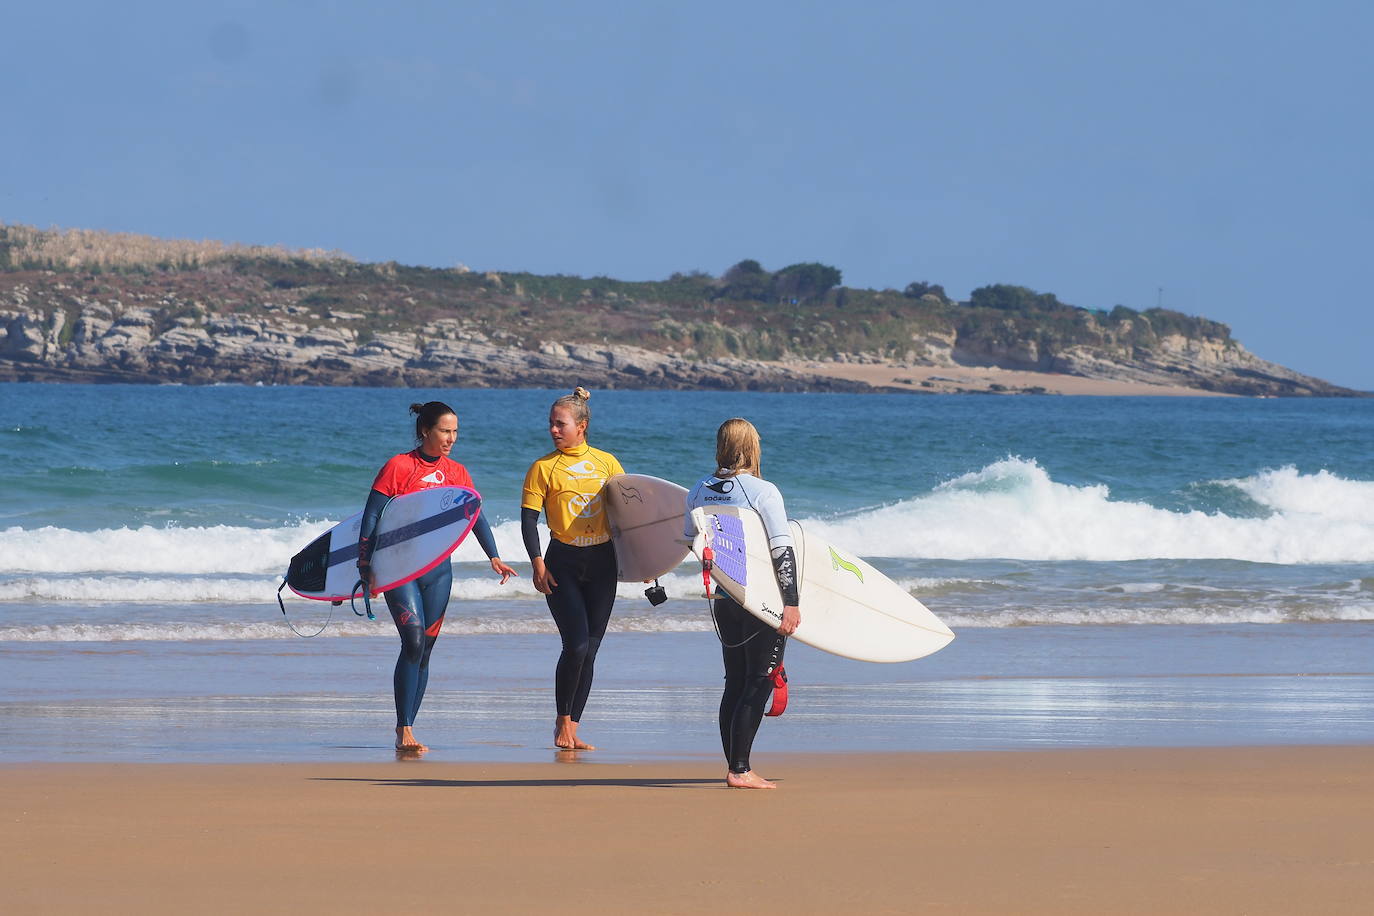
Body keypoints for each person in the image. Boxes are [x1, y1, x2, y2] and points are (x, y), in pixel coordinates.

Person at [357, 401, 518, 754]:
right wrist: (364, 566)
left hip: (439, 571)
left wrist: (494, 556)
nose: (451, 439)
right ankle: (403, 728)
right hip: (399, 568)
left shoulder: (457, 472)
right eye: (445, 431)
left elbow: (475, 515)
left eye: (455, 432)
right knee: (413, 640)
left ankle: (409, 727)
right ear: (425, 431)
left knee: (426, 648)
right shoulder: (399, 467)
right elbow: (371, 517)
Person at [684, 418, 800, 789]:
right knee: (761, 679)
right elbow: (782, 549)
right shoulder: (763, 492)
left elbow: (690, 540)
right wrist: (791, 602)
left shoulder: (698, 490)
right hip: (761, 599)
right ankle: (740, 770)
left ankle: (736, 765)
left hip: (724, 597)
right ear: (752, 447)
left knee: (734, 680)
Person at [520, 387, 625, 750]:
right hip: (561, 560)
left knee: (592, 649)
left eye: (560, 424)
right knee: (576, 645)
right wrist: (537, 562)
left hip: (602, 561)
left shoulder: (608, 463)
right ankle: (561, 721)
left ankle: (573, 728)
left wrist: (645, 561)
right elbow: (528, 520)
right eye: (550, 423)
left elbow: (630, 516)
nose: (553, 429)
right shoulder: (543, 468)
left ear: (581, 426)